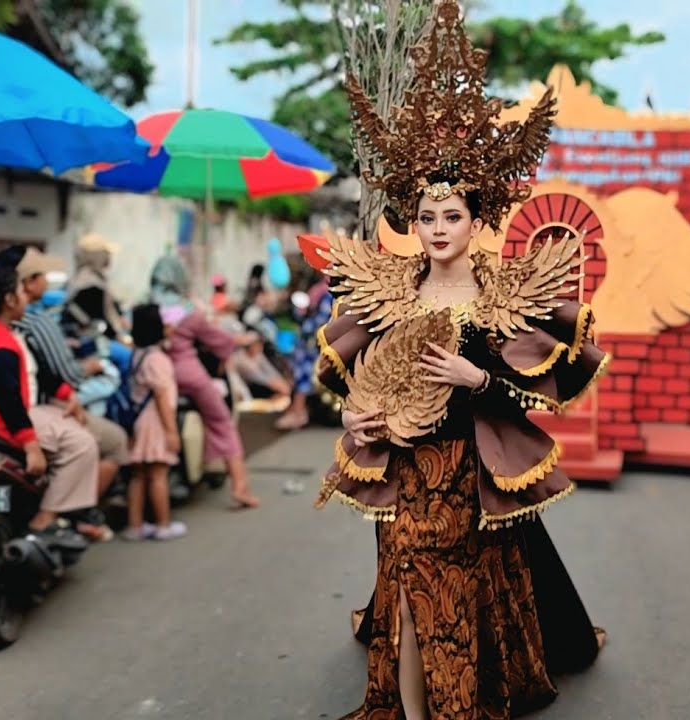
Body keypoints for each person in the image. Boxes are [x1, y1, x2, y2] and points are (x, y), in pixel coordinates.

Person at [316, 3, 605, 715]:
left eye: (451, 216)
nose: (438, 228)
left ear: (477, 222)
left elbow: (539, 394)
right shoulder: (390, 290)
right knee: (411, 597)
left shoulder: (504, 294)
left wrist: (478, 378)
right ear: (412, 225)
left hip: (468, 476)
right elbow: (358, 383)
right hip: (404, 472)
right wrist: (360, 420)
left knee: (449, 598)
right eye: (426, 216)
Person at [0, 263, 99, 541]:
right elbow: (8, 399)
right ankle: (45, 519)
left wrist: (67, 395)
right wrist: (31, 447)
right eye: (20, 289)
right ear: (9, 299)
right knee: (83, 444)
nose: (24, 296)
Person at [0, 246, 127, 538]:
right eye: (39, 276)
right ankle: (58, 517)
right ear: (18, 290)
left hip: (34, 407)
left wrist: (67, 392)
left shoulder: (8, 330)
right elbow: (16, 395)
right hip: (27, 414)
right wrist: (30, 444)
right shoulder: (21, 328)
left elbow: (48, 376)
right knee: (96, 442)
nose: (45, 282)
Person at [149, 254, 261, 510]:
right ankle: (240, 487)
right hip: (189, 374)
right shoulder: (189, 311)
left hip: (156, 374)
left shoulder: (150, 306)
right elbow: (220, 341)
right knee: (222, 422)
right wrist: (231, 349)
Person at [122, 304, 187, 541]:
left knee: (138, 476)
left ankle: (135, 525)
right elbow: (161, 397)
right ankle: (163, 524)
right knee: (159, 473)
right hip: (155, 421)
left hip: (138, 420)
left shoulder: (137, 355)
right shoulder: (157, 359)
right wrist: (171, 432)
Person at [275, 273, 334, 431]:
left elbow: (321, 322)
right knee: (293, 360)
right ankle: (296, 407)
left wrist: (305, 331)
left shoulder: (329, 294)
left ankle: (299, 411)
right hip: (310, 341)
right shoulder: (317, 290)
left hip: (320, 344)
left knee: (303, 365)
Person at [63, 232, 128, 344]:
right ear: (97, 256)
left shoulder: (84, 278)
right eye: (106, 253)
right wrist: (120, 337)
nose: (109, 257)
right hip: (91, 341)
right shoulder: (90, 284)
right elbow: (100, 320)